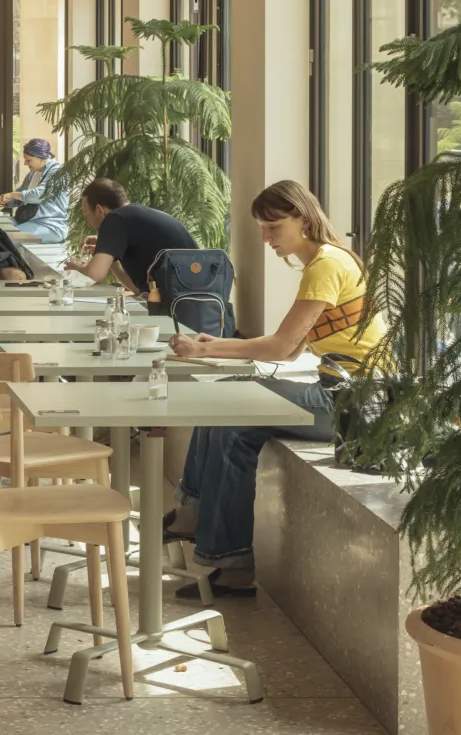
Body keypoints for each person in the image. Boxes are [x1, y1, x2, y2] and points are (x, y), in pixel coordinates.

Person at [163, 180, 385, 597]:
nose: (266, 238)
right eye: (262, 229)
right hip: (341, 390)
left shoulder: (326, 266)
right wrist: (212, 346)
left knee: (230, 406)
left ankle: (216, 545)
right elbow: (292, 347)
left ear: (303, 218)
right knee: (224, 404)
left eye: (274, 227)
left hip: (353, 400)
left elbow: (282, 347)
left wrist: (203, 348)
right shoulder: (325, 262)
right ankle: (205, 531)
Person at [65, 178, 195, 297]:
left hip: (178, 304)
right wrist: (110, 257)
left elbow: (93, 274)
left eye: (86, 215)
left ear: (99, 210)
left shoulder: (115, 219)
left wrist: (75, 269)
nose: (87, 222)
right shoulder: (133, 216)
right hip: (195, 298)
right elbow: (140, 291)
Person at [0, 138, 69, 243]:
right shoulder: (33, 173)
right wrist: (2, 199)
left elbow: (40, 195)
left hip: (50, 225)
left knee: (6, 240)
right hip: (28, 221)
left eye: (29, 160)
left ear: (41, 157)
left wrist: (11, 195)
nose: (25, 163)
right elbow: (20, 198)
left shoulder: (57, 173)